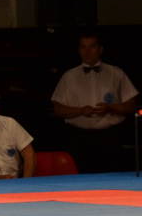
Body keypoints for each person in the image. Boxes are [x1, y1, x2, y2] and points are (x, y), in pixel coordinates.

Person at [50, 33, 137, 173]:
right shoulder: (69, 76)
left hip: (110, 137)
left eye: (92, 47)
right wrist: (80, 111)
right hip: (78, 138)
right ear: (79, 50)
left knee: (112, 178)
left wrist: (111, 107)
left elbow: (131, 105)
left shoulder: (116, 73)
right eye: (83, 47)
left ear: (100, 49)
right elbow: (57, 109)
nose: (87, 51)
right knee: (80, 179)